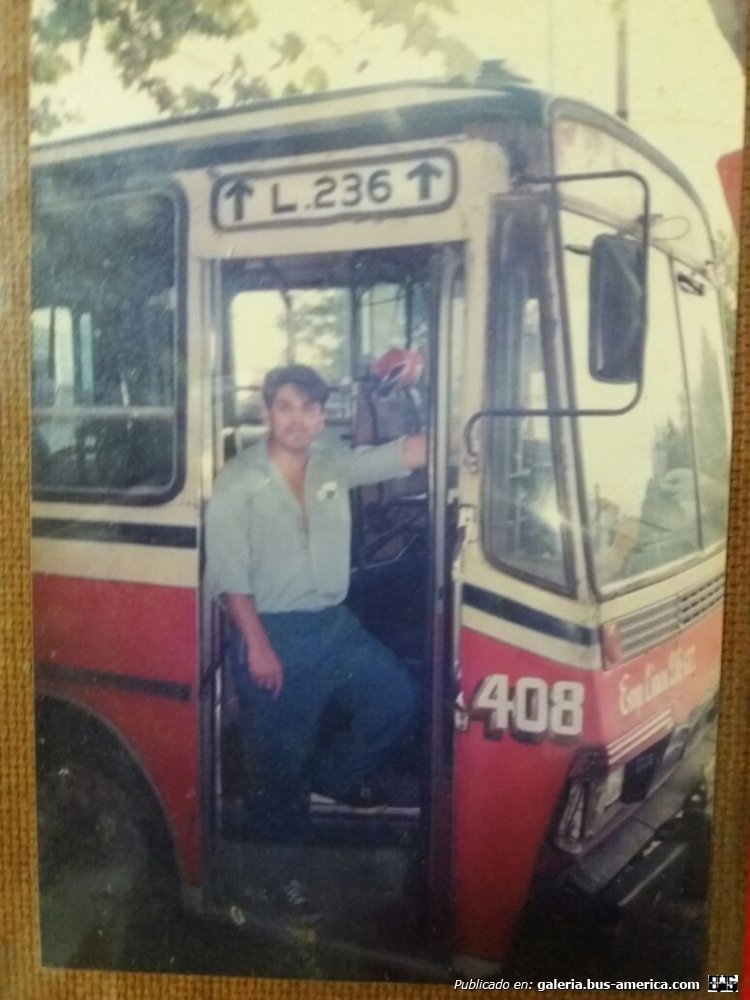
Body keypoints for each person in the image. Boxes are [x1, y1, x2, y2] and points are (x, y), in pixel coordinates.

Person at [205, 364, 426, 923]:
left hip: (333, 625)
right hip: (272, 633)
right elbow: (229, 577)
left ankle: (334, 777)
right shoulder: (237, 480)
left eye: (310, 409)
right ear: (267, 412)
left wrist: (420, 378)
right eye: (287, 407)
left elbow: (415, 451)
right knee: (277, 772)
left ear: (323, 415)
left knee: (397, 700)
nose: (299, 420)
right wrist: (257, 646)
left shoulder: (334, 459)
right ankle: (279, 882)